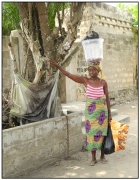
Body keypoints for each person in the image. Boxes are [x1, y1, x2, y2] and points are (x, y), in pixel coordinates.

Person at [50, 60, 112, 166]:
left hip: (102, 114)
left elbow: (107, 98)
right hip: (91, 115)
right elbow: (69, 75)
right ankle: (93, 158)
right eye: (89, 70)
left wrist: (109, 114)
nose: (90, 72)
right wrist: (58, 66)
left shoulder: (103, 82)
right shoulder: (85, 80)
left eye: (93, 70)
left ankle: (102, 156)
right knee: (91, 135)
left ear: (98, 71)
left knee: (102, 134)